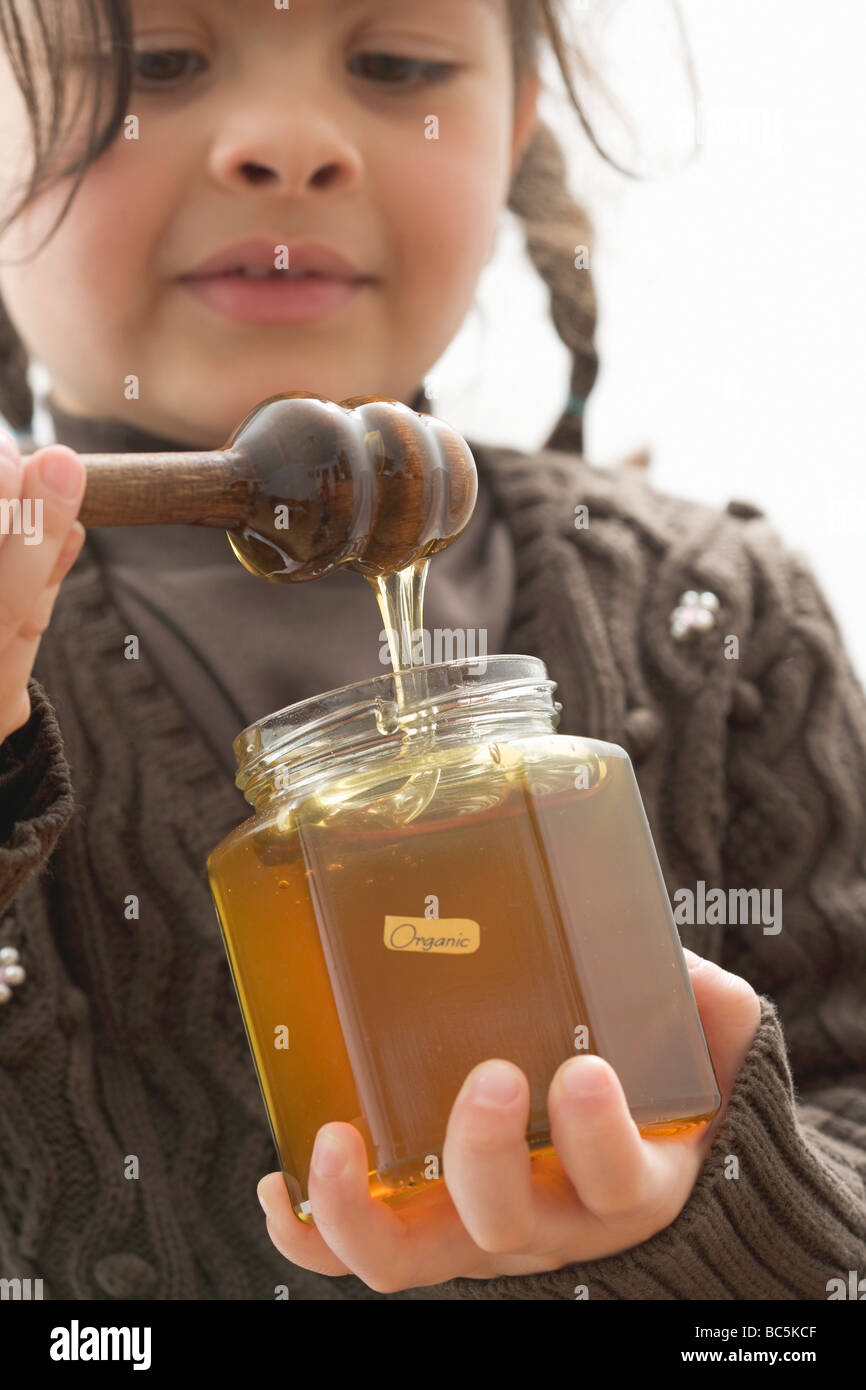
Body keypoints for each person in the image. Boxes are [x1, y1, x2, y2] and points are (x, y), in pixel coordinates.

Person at [0, 0, 863, 1302]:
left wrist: (721, 1209)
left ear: (513, 127)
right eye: (157, 65)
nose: (287, 145)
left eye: (395, 67)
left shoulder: (721, 617)